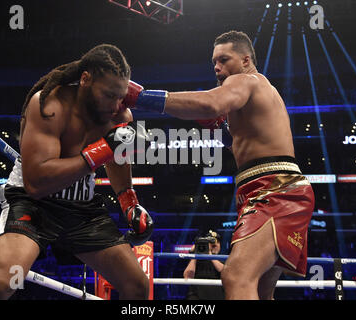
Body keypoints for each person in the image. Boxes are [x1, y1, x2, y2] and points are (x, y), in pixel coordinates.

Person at [121, 31, 315, 300]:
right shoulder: (259, 91)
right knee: (259, 289)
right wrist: (224, 133)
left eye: (224, 59)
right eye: (214, 61)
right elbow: (247, 142)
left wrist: (141, 98)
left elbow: (210, 103)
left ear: (246, 60)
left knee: (236, 275)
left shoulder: (246, 80)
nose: (216, 67)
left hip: (275, 188)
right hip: (269, 187)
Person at [0, 44, 153, 300]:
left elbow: (116, 159)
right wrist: (103, 149)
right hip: (33, 204)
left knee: (137, 286)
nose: (115, 104)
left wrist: (129, 204)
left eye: (121, 96)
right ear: (85, 79)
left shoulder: (118, 114)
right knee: (3, 282)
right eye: (109, 95)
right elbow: (36, 183)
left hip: (82, 209)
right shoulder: (49, 105)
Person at [183, 230, 225, 300]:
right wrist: (195, 254)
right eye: (211, 243)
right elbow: (187, 277)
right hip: (197, 296)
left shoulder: (223, 259)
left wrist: (210, 255)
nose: (214, 245)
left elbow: (224, 272)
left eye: (217, 242)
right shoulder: (194, 259)